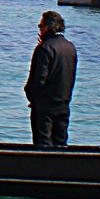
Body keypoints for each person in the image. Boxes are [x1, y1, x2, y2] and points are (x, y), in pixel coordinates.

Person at [26, 10, 76, 147]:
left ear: (47, 27)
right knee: (61, 144)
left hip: (44, 107)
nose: (39, 30)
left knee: (43, 145)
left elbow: (37, 81)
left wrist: (33, 99)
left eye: (40, 26)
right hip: (64, 104)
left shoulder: (44, 48)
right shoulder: (70, 47)